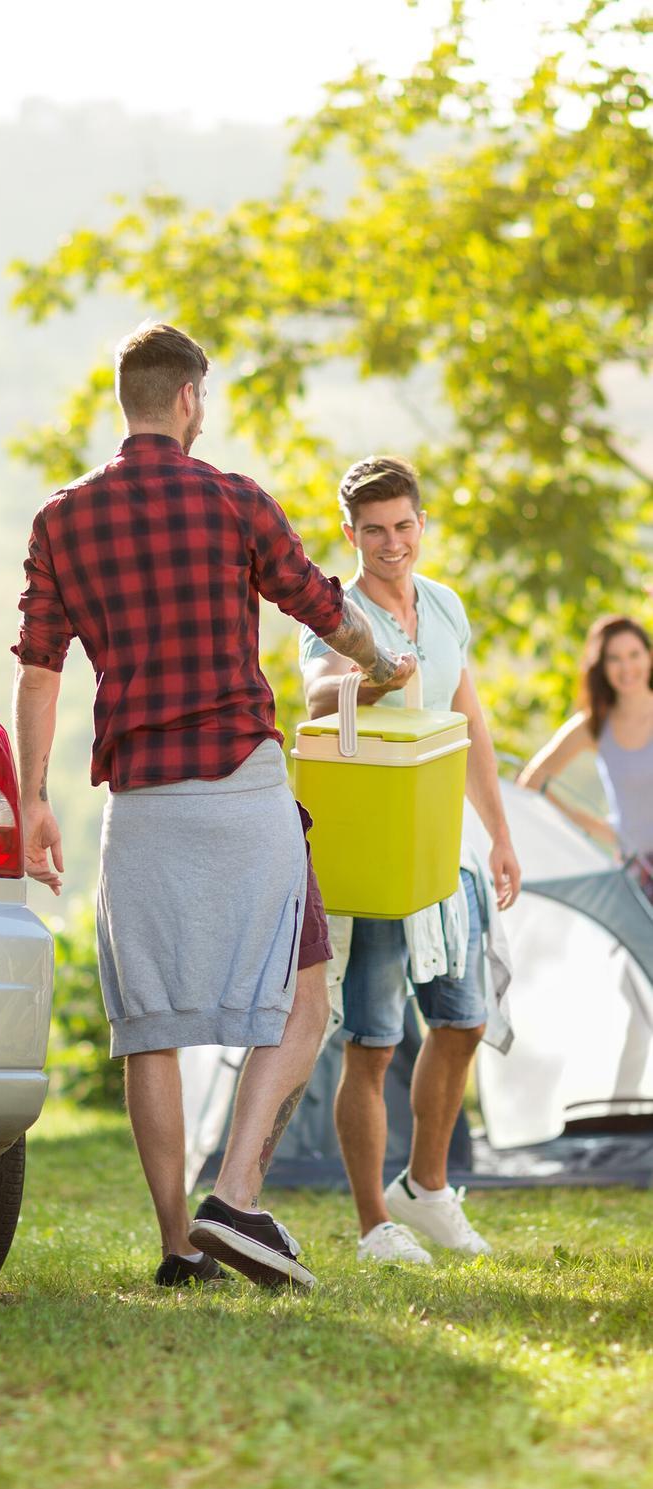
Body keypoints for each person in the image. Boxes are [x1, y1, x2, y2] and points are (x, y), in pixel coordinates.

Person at [13, 323, 412, 1292]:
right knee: (305, 990)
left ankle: (179, 1249)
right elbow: (321, 603)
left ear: (130, 400)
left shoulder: (61, 519)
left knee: (152, 1024)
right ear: (190, 398)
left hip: (140, 797)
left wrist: (31, 799)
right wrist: (386, 660)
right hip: (242, 783)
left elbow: (37, 670)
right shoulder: (234, 500)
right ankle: (236, 1195)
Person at [298, 455, 521, 1266]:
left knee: (463, 1020)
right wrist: (378, 678)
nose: (391, 544)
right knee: (374, 1041)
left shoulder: (445, 605)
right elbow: (319, 695)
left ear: (420, 524)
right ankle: (372, 1226)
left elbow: (472, 722)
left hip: (448, 849)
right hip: (380, 854)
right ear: (350, 533)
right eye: (374, 531)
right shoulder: (335, 611)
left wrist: (498, 832)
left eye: (403, 527)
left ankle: (425, 1192)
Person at [518, 615, 653, 875]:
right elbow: (530, 781)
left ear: (648, 656)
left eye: (634, 654)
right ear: (601, 666)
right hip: (637, 874)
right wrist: (595, 826)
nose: (626, 667)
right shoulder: (593, 726)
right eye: (614, 658)